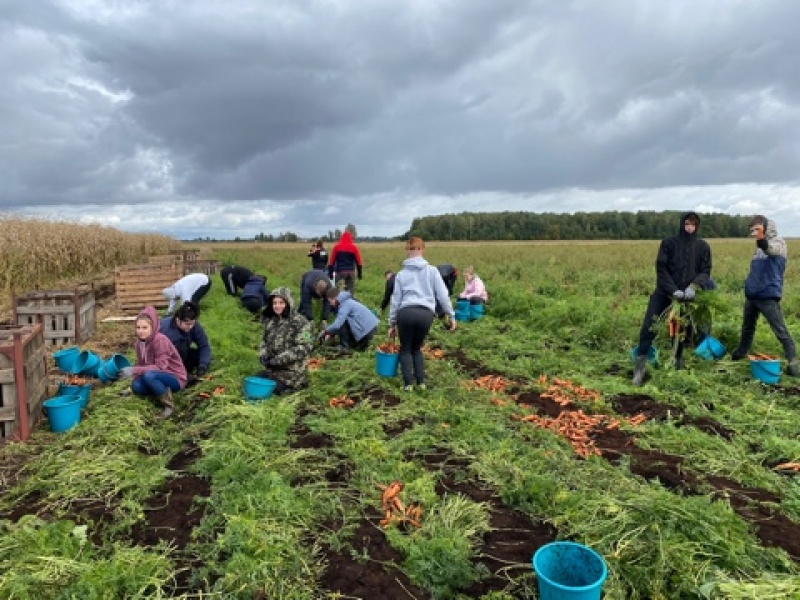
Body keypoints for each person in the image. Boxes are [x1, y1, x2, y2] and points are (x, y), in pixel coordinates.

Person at [632, 211, 712, 386]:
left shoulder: (702, 246)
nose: (690, 228)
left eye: (693, 225)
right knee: (650, 325)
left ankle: (678, 362)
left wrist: (693, 286)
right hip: (664, 293)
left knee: (679, 330)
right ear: (682, 225)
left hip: (686, 296)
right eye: (687, 224)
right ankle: (640, 367)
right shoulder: (668, 243)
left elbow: (705, 270)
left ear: (697, 226)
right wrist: (673, 290)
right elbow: (661, 269)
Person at [730, 215, 799, 376]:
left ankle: (793, 361)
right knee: (747, 327)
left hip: (768, 295)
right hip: (752, 294)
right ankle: (741, 352)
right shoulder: (758, 248)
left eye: (756, 229)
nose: (754, 233)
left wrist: (762, 240)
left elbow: (770, 249)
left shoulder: (779, 243)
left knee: (779, 329)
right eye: (752, 230)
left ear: (766, 227)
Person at [388, 237, 457, 392]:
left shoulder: (401, 275)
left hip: (406, 313)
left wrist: (391, 323)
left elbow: (395, 300)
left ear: (407, 251)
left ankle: (408, 385)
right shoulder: (432, 271)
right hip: (425, 314)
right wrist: (451, 315)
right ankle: (421, 383)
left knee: (405, 349)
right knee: (416, 348)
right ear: (422, 250)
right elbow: (443, 295)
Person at [118, 305, 187, 420]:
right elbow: (141, 364)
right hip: (154, 375)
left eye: (145, 327)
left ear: (153, 327)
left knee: (149, 376)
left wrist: (133, 370)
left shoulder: (160, 340)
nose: (140, 331)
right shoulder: (139, 344)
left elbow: (161, 367)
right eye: (138, 327)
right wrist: (131, 386)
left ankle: (168, 406)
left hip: (174, 377)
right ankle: (159, 391)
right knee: (136, 386)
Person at [256, 286, 314, 395]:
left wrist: (278, 360)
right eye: (274, 303)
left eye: (281, 302)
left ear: (288, 303)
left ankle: (297, 387)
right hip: (272, 370)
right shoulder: (271, 321)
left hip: (292, 373)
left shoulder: (302, 322)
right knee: (255, 382)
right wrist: (263, 355)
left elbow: (304, 348)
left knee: (269, 391)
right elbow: (264, 341)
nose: (277, 306)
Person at [159, 301, 212, 385]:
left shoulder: (194, 326)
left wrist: (203, 366)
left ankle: (187, 370)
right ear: (177, 320)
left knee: (199, 355)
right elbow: (163, 359)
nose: (190, 327)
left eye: (192, 323)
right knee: (181, 347)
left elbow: (204, 346)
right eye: (187, 324)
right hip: (164, 357)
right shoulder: (166, 332)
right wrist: (182, 374)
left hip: (182, 354)